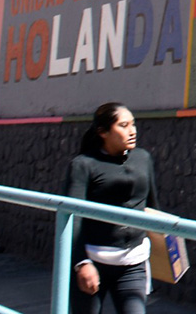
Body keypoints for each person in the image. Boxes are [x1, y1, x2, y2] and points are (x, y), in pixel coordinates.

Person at [64, 103, 159, 314]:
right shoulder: (83, 165)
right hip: (93, 261)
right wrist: (82, 263)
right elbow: (72, 218)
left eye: (133, 124)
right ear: (103, 132)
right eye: (123, 125)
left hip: (134, 263)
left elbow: (152, 208)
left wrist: (166, 247)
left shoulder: (143, 159)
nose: (133, 131)